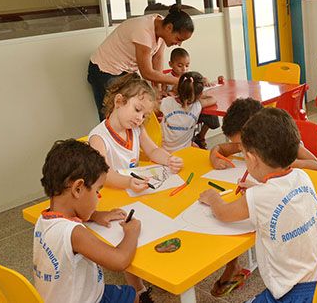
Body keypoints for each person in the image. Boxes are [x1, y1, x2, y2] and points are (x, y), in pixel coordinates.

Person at [199, 108, 317, 303]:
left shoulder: (259, 196)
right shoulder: (302, 176)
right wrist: (256, 191)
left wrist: (212, 198)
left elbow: (224, 213)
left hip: (292, 295)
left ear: (251, 159)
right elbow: (278, 194)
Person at [34, 139, 151, 303]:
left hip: (70, 294)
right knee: (133, 296)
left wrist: (94, 215)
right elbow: (119, 261)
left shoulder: (44, 218)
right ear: (78, 188)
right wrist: (132, 232)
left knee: (131, 295)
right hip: (89, 299)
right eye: (97, 191)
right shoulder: (74, 232)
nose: (98, 198)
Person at [87, 4, 194, 120]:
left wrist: (157, 90)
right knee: (112, 116)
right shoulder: (143, 30)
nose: (179, 44)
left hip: (126, 70)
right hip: (104, 69)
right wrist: (179, 81)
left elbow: (157, 59)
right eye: (178, 39)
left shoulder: (161, 28)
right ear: (169, 27)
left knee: (139, 107)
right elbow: (147, 72)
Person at [89, 74, 184, 193]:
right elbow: (104, 174)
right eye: (137, 110)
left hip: (134, 190)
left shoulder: (137, 129)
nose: (140, 118)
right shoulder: (98, 138)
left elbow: (153, 151)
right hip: (112, 193)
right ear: (119, 101)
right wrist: (128, 182)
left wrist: (169, 159)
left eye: (144, 115)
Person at [159, 48, 221, 149]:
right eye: (180, 66)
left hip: (186, 107)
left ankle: (200, 137)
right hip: (176, 107)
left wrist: (204, 81)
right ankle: (194, 140)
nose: (184, 69)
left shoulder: (189, 78)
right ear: (171, 64)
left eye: (187, 66)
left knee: (212, 116)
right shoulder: (167, 78)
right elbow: (163, 92)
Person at [159, 71, 216, 153]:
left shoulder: (165, 102)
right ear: (199, 95)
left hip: (164, 150)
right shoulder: (198, 105)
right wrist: (197, 95)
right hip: (185, 150)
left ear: (178, 88)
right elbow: (213, 99)